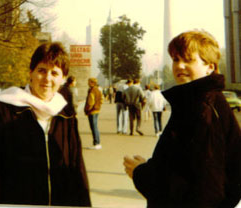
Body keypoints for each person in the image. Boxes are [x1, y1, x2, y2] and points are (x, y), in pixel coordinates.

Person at [123, 30, 241, 208]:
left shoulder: (203, 111)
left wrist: (142, 174)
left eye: (188, 60)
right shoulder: (199, 102)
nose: (180, 66)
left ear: (209, 66)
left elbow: (203, 191)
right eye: (176, 60)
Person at [0, 42, 91, 206]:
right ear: (30, 73)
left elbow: (77, 169)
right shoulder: (2, 110)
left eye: (54, 73)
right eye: (42, 70)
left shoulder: (65, 114)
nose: (47, 78)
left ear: (62, 79)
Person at [84, 77, 103, 149]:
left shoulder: (92, 90)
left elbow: (90, 102)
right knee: (95, 127)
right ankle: (97, 142)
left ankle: (96, 143)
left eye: (88, 82)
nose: (87, 83)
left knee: (93, 127)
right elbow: (101, 99)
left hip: (92, 111)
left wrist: (87, 109)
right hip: (97, 110)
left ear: (92, 83)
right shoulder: (98, 90)